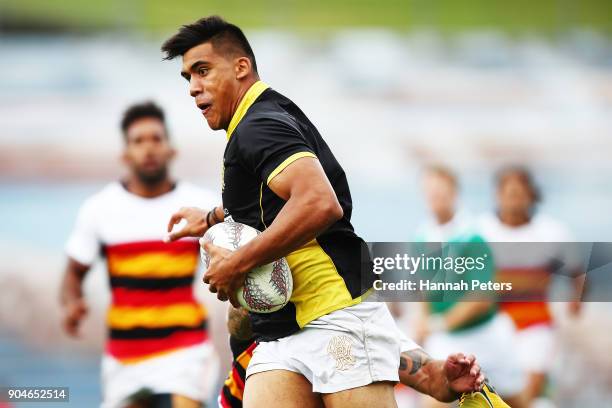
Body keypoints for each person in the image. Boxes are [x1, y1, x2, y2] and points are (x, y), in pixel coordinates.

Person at [160, 16, 506, 408]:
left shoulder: (260, 126)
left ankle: (433, 379)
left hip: (334, 317)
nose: (193, 88)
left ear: (241, 67)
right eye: (188, 77)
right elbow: (272, 200)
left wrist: (238, 263)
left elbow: (319, 203)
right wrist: (210, 218)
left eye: (203, 71)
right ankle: (432, 377)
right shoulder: (257, 123)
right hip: (281, 333)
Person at [60, 102, 219, 408]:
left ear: (171, 149)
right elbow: (74, 271)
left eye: (156, 139)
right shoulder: (100, 209)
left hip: (184, 351)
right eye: (138, 141)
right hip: (124, 357)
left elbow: (227, 259)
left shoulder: (198, 206)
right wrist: (71, 303)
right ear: (125, 154)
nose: (148, 149)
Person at [412, 166, 526, 408]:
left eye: (441, 192)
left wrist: (438, 324)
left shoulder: (473, 236)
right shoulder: (423, 236)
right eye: (430, 193)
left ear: (454, 193)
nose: (435, 198)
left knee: (515, 402)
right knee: (432, 403)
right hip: (447, 341)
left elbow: (482, 298)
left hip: (487, 337)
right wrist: (421, 321)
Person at [478, 167, 584, 407]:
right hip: (492, 323)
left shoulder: (552, 232)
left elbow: (578, 271)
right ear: (497, 195)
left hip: (535, 322)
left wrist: (575, 300)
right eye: (508, 193)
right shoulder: (480, 231)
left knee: (527, 395)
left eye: (519, 193)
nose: (513, 199)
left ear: (531, 196)